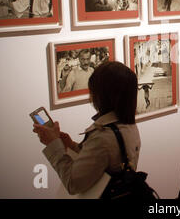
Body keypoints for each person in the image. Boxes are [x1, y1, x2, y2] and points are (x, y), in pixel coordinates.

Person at [33, 61, 141, 195]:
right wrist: (71, 145)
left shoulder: (103, 137)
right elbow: (102, 161)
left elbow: (73, 183)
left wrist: (53, 144)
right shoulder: (128, 125)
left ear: (101, 95)